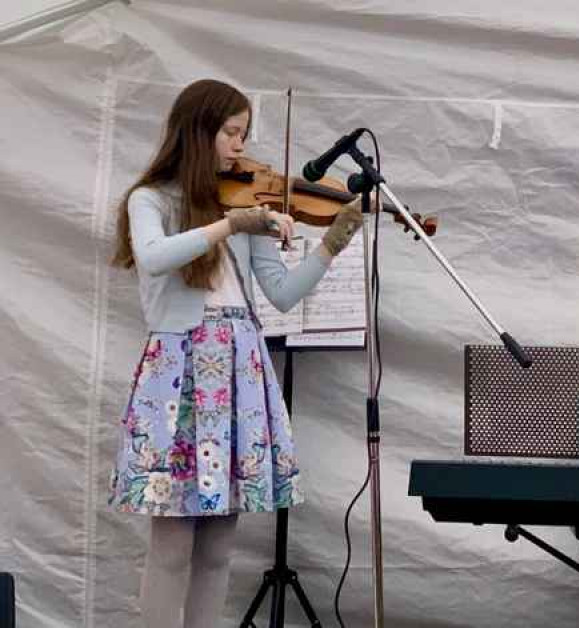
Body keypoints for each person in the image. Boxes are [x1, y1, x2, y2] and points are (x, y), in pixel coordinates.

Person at [107, 78, 364, 628]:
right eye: (230, 132)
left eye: (244, 134)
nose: (241, 146)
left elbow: (281, 294)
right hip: (179, 373)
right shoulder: (150, 199)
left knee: (220, 546)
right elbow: (153, 257)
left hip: (240, 371)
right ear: (198, 131)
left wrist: (329, 245)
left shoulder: (244, 200)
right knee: (173, 547)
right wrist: (229, 224)